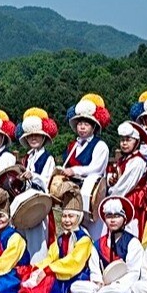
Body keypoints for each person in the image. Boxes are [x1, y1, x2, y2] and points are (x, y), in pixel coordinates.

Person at [16, 194, 96, 293]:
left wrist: (49, 270)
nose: (67, 220)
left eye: (71, 216)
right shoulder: (61, 238)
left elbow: (73, 262)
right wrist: (39, 267)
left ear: (78, 218)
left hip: (76, 274)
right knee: (32, 273)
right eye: (64, 216)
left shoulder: (84, 239)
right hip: (61, 270)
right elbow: (51, 257)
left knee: (49, 280)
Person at [55, 94, 111, 230]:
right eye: (80, 124)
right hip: (73, 194)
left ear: (93, 127)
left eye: (86, 124)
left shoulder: (101, 145)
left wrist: (74, 170)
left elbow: (96, 169)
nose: (82, 127)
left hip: (91, 196)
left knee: (92, 231)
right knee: (73, 229)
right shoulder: (72, 145)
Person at [81, 196, 145, 293]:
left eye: (117, 216)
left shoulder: (133, 243)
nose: (113, 220)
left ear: (124, 219)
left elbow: (134, 272)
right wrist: (99, 282)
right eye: (109, 216)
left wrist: (114, 285)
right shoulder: (97, 244)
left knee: (125, 290)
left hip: (122, 286)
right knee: (76, 287)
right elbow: (95, 269)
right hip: (103, 286)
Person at [16, 108, 58, 252]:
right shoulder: (26, 158)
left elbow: (47, 182)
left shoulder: (48, 158)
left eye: (37, 136)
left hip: (40, 204)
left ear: (44, 138)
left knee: (38, 240)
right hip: (25, 203)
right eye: (30, 136)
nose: (34, 138)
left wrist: (33, 176)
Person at [107, 121, 147, 238]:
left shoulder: (138, 161)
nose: (124, 143)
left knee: (132, 232)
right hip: (124, 199)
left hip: (132, 201)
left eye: (128, 140)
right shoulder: (123, 160)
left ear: (137, 142)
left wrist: (110, 195)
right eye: (122, 140)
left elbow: (124, 185)